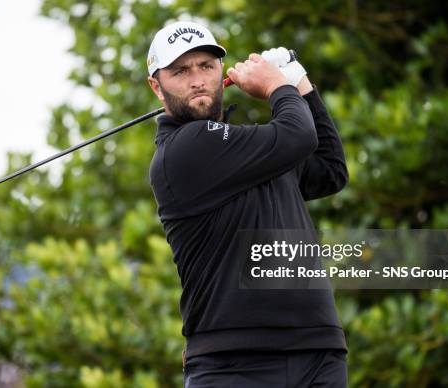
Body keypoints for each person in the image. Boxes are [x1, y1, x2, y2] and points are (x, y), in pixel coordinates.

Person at [147, 20, 349, 387]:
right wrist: (277, 85)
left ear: (220, 71)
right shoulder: (184, 150)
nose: (197, 80)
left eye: (206, 66)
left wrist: (299, 81)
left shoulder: (251, 147)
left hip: (318, 350)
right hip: (234, 364)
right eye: (180, 71)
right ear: (157, 87)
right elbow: (298, 135)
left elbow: (329, 169)